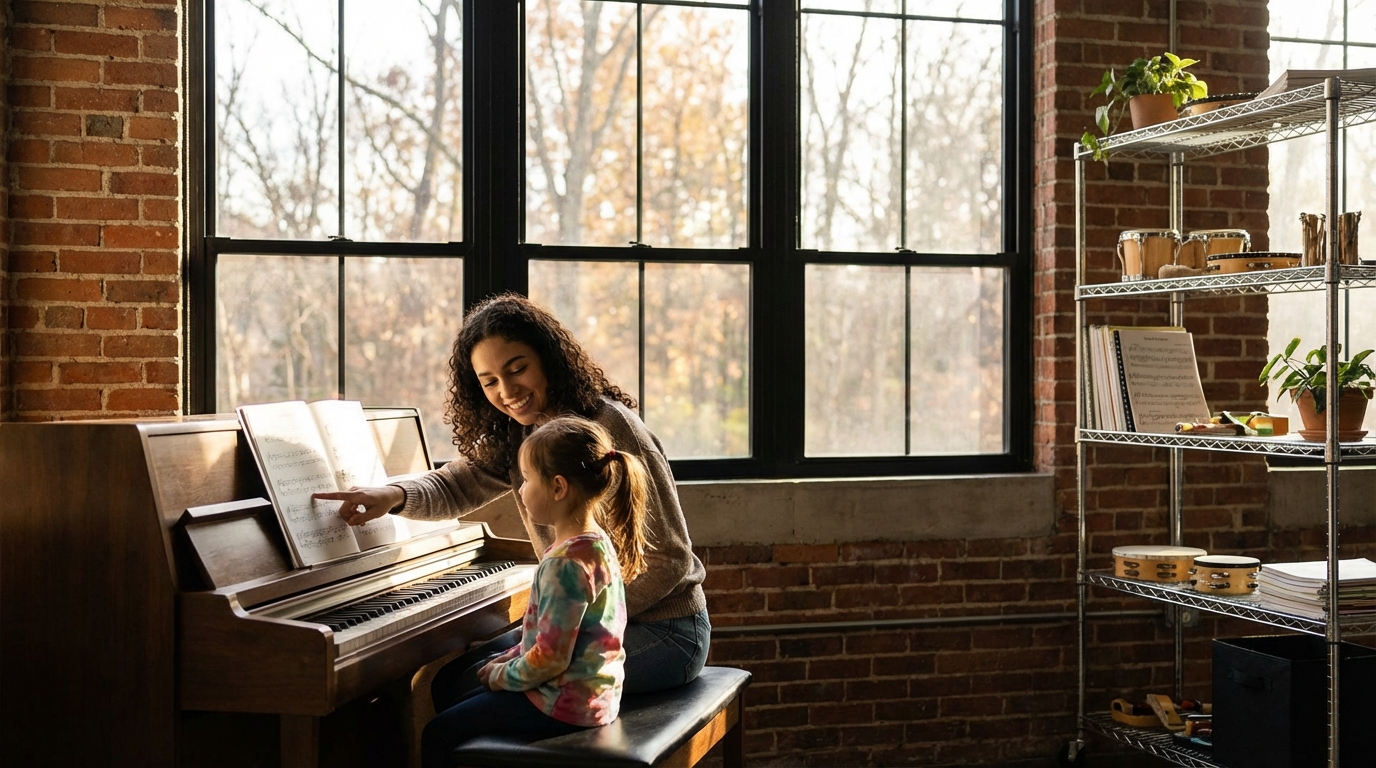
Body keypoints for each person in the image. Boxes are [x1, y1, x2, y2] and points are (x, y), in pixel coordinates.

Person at [315, 293, 709, 696]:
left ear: (548, 360)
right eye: (489, 382)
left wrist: (566, 627)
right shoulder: (521, 432)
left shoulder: (608, 426)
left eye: (517, 369)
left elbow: (670, 562)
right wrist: (392, 495)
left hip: (668, 631)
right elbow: (456, 483)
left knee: (487, 692)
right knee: (452, 683)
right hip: (588, 625)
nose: (507, 391)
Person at [418, 416, 649, 767]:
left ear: (558, 487)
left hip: (563, 704)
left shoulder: (565, 564)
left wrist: (500, 676)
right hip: (591, 694)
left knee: (437, 733)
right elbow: (547, 642)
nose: (521, 490)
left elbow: (551, 659)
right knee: (458, 685)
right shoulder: (595, 543)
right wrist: (506, 658)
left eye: (526, 480)